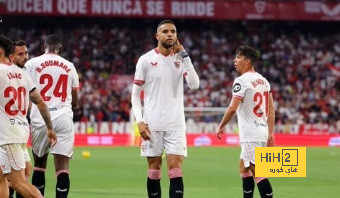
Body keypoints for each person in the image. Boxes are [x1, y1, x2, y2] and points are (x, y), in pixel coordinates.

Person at [131, 20, 199, 198]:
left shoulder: (180, 59)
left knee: (175, 168)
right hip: (152, 124)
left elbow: (194, 85)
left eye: (173, 31)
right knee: (154, 169)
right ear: (157, 36)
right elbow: (135, 94)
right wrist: (140, 121)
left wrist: (185, 55)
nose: (170, 34)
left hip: (175, 124)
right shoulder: (145, 60)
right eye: (166, 31)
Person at [0, 35, 57, 198]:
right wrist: (50, 128)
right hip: (18, 129)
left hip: (7, 135)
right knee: (1, 179)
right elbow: (40, 102)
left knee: (18, 182)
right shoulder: (22, 74)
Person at [216, 45, 275, 198]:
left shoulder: (241, 81)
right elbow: (271, 110)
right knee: (244, 168)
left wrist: (221, 125)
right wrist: (271, 133)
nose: (234, 60)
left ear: (247, 61)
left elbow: (232, 108)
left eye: (238, 57)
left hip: (250, 134)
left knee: (259, 173)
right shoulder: (263, 81)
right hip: (262, 131)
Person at [25, 34, 79, 198]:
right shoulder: (69, 66)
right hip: (63, 117)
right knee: (62, 167)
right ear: (60, 49)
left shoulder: (31, 64)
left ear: (44, 47)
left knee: (39, 164)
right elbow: (75, 98)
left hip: (40, 117)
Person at [9, 39, 31, 198]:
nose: (25, 57)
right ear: (11, 56)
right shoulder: (5, 73)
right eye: (20, 54)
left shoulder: (23, 74)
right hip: (8, 133)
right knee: (16, 179)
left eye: (26, 53)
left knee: (23, 174)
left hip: (18, 130)